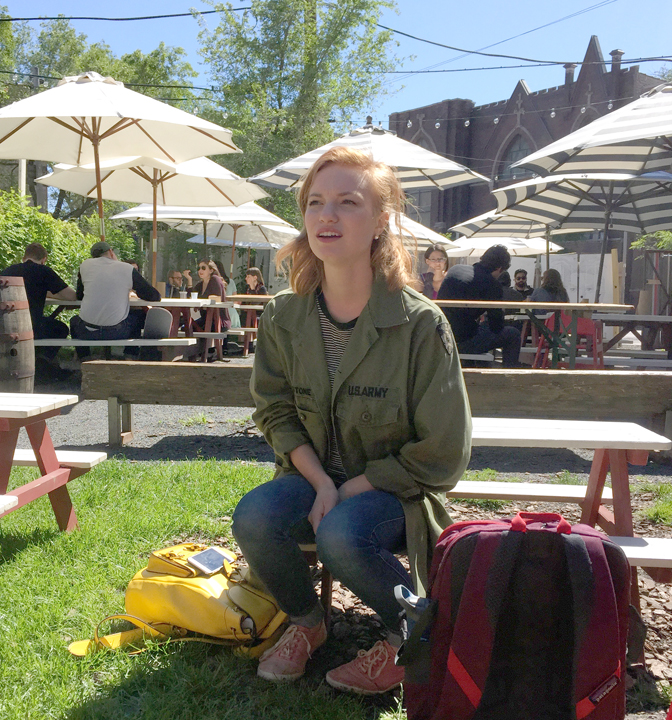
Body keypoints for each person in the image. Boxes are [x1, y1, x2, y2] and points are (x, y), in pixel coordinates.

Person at [232, 146, 471, 694]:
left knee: (341, 532)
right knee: (255, 516)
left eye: (347, 202)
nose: (326, 215)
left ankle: (408, 636)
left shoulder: (420, 324)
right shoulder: (283, 314)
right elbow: (275, 410)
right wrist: (321, 482)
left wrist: (351, 489)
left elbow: (444, 450)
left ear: (382, 220)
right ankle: (307, 623)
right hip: (311, 479)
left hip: (395, 493)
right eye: (315, 202)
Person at [70, 241, 161, 358]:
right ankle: (130, 356)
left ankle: (84, 358)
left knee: (74, 321)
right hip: (117, 332)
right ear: (111, 252)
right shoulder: (126, 268)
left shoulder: (85, 266)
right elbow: (154, 296)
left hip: (87, 331)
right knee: (137, 317)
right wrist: (134, 289)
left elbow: (80, 295)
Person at [437, 245, 521, 367]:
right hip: (461, 341)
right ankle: (509, 375)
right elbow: (496, 326)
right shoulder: (492, 285)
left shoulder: (455, 269)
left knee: (474, 329)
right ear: (499, 268)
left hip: (440, 335)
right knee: (512, 334)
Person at [1, 242, 77, 376]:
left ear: (24, 257)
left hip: (6, 325)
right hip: (32, 326)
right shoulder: (44, 271)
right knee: (61, 328)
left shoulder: (8, 271)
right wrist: (50, 292)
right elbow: (71, 296)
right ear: (44, 260)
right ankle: (43, 362)